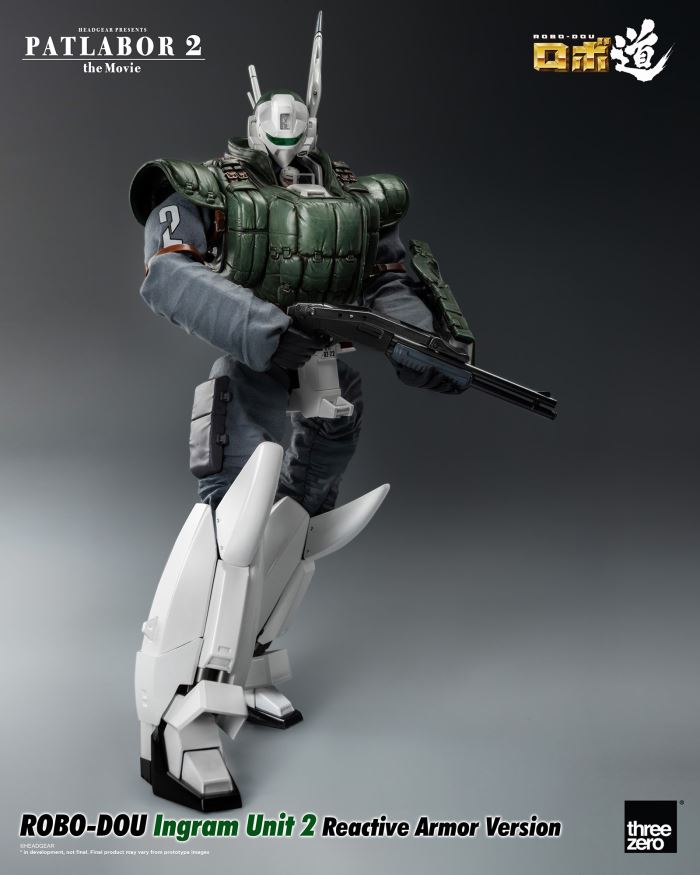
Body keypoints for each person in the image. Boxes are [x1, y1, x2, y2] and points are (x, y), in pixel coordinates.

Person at [130, 11, 474, 810]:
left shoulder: (352, 197)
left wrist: (416, 339)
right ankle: (182, 717)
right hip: (254, 358)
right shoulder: (209, 188)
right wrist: (258, 326)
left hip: (323, 365)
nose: (288, 146)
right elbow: (167, 270)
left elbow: (390, 278)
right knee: (235, 520)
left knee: (304, 511)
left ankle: (252, 659)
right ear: (255, 126)